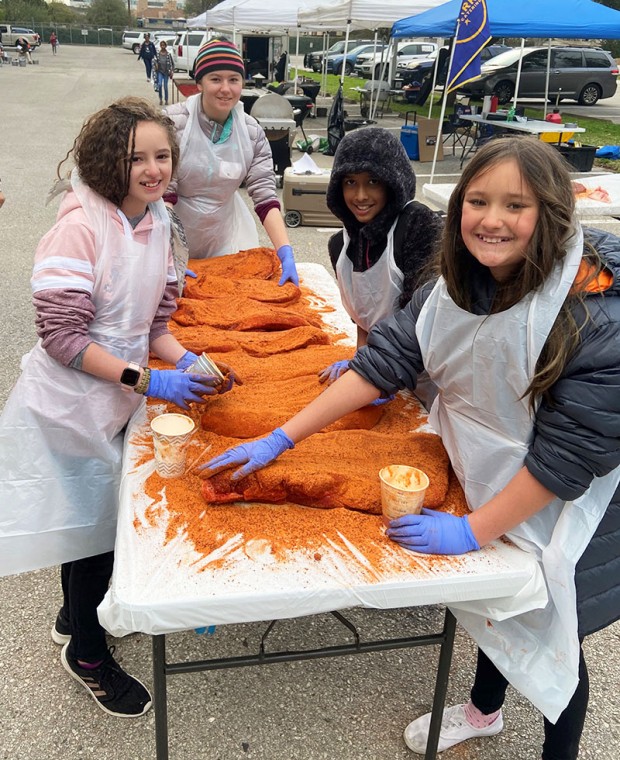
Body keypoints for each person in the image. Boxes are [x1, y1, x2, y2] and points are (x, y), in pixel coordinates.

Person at [202, 137, 620, 760]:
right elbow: (384, 363)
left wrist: (473, 530)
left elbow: (566, 460)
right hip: (482, 472)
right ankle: (484, 712)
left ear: (554, 214)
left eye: (516, 205)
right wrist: (283, 435)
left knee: (552, 636)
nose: (492, 219)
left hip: (564, 506)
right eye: (477, 200)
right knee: (495, 613)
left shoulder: (597, 316)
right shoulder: (453, 286)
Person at [0, 97, 238, 717]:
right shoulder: (80, 225)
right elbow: (63, 337)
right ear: (111, 161)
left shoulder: (160, 223)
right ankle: (86, 655)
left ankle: (73, 616)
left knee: (94, 526)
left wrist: (185, 361)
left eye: (162, 156)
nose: (153, 169)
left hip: (115, 401)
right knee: (94, 538)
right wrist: (147, 382)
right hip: (69, 407)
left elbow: (155, 320)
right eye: (138, 158)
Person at [163, 38, 298, 285]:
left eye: (233, 79)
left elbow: (265, 197)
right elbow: (163, 194)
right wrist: (171, 253)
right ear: (199, 83)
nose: (225, 88)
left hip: (224, 238)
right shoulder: (172, 124)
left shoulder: (252, 133)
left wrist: (285, 251)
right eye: (215, 79)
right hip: (169, 234)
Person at [318, 126, 442, 394]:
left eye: (373, 181)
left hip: (433, 376)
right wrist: (360, 362)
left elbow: (424, 318)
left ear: (393, 182)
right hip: (382, 371)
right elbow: (364, 322)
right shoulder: (340, 246)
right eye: (350, 182)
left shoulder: (417, 225)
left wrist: (374, 372)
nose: (360, 196)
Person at [153, 39, 174, 106]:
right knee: (159, 85)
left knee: (165, 86)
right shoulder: (158, 54)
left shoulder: (168, 54)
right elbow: (154, 62)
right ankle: (160, 99)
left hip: (166, 73)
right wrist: (155, 65)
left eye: (164, 45)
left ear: (165, 46)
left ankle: (166, 100)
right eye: (161, 45)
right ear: (160, 46)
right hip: (160, 72)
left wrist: (171, 71)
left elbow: (172, 64)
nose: (162, 46)